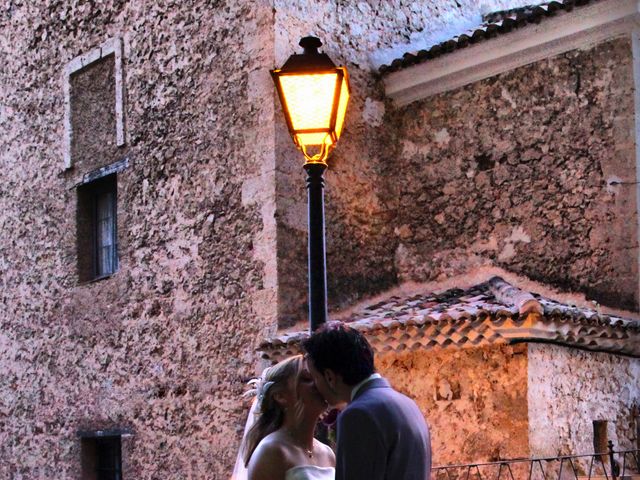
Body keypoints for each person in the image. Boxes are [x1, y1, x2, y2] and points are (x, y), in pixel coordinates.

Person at [302, 322, 432, 480]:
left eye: (315, 378)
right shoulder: (409, 404)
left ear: (329, 377)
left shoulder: (358, 414)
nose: (314, 386)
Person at [239, 355, 336, 480]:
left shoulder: (327, 453)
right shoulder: (272, 451)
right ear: (280, 396)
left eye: (317, 377)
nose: (318, 384)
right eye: (307, 379)